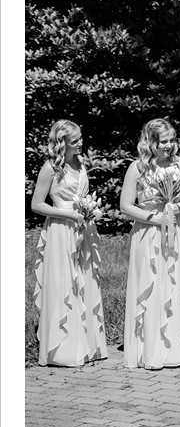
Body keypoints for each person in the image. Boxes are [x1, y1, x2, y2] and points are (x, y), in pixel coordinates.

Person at [120, 118, 180, 369]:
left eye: (172, 140)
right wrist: (155, 218)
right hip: (148, 233)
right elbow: (126, 205)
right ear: (151, 143)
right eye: (164, 141)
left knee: (177, 283)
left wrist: (176, 209)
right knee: (152, 285)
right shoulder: (137, 169)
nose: (170, 145)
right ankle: (152, 349)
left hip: (177, 230)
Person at [31, 120, 108, 367]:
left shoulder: (80, 162)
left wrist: (88, 212)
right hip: (60, 229)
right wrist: (69, 215)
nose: (81, 143)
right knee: (64, 282)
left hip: (83, 228)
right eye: (75, 141)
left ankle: (87, 344)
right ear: (62, 143)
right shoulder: (50, 168)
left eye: (81, 138)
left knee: (84, 281)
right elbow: (36, 204)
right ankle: (63, 349)